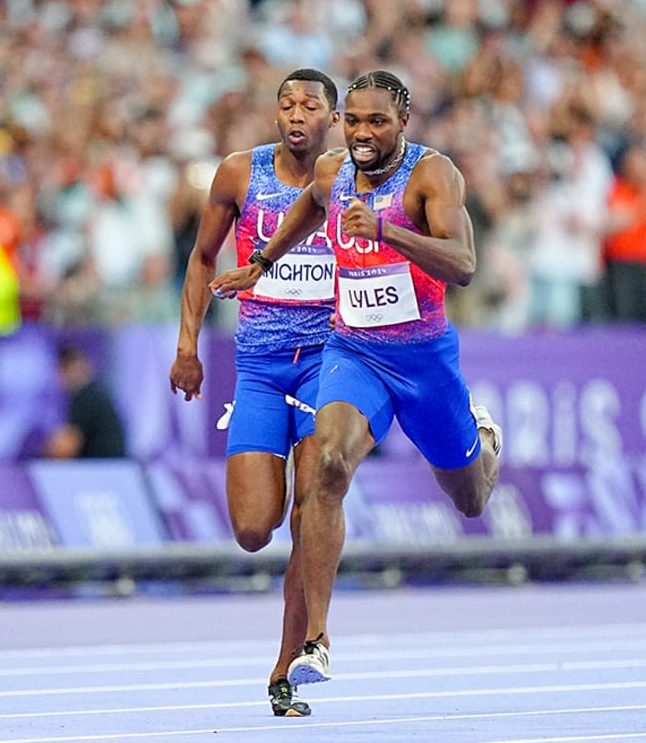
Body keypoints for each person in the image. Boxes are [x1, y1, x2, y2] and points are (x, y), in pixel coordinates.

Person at [210, 69, 503, 690]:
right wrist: (259, 263)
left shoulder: (433, 174)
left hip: (423, 361)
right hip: (354, 352)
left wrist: (391, 231)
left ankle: (484, 438)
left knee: (471, 498)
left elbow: (466, 265)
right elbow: (304, 215)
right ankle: (315, 642)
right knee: (330, 466)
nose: (364, 133)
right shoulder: (332, 173)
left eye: (378, 122)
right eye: (354, 122)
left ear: (404, 122)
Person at [168, 67, 342, 718]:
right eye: (287, 104)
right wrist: (188, 345)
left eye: (310, 106)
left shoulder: (343, 179)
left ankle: (287, 667)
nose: (296, 115)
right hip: (262, 368)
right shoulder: (239, 174)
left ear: (331, 118)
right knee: (252, 527)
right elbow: (202, 256)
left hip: (329, 366)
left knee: (309, 513)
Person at [46, 343, 126, 459]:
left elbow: (65, 448)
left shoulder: (86, 397)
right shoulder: (94, 392)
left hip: (103, 469)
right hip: (110, 466)